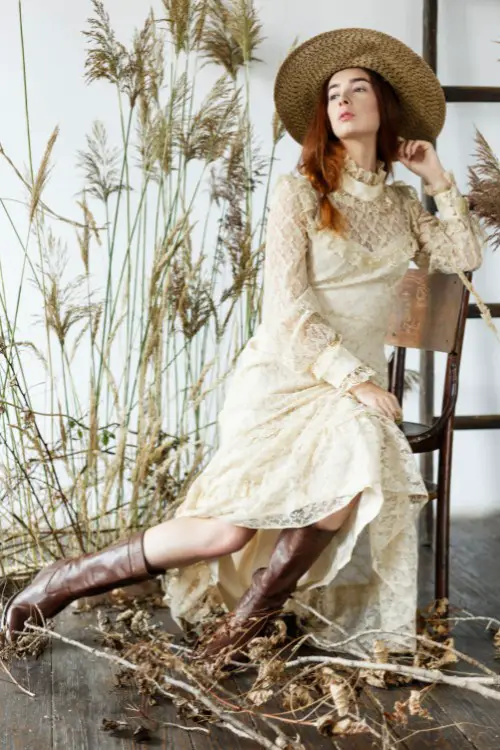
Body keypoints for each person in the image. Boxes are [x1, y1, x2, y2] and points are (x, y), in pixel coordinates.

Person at [1, 28, 485, 660]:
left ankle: (244, 627)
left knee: (351, 466)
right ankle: (62, 579)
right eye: (332, 92)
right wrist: (355, 381)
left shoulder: (401, 204)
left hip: (350, 393)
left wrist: (437, 176)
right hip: (288, 376)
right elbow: (287, 310)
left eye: (358, 88)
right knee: (225, 531)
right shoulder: (301, 193)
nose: (342, 99)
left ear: (384, 107)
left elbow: (466, 254)